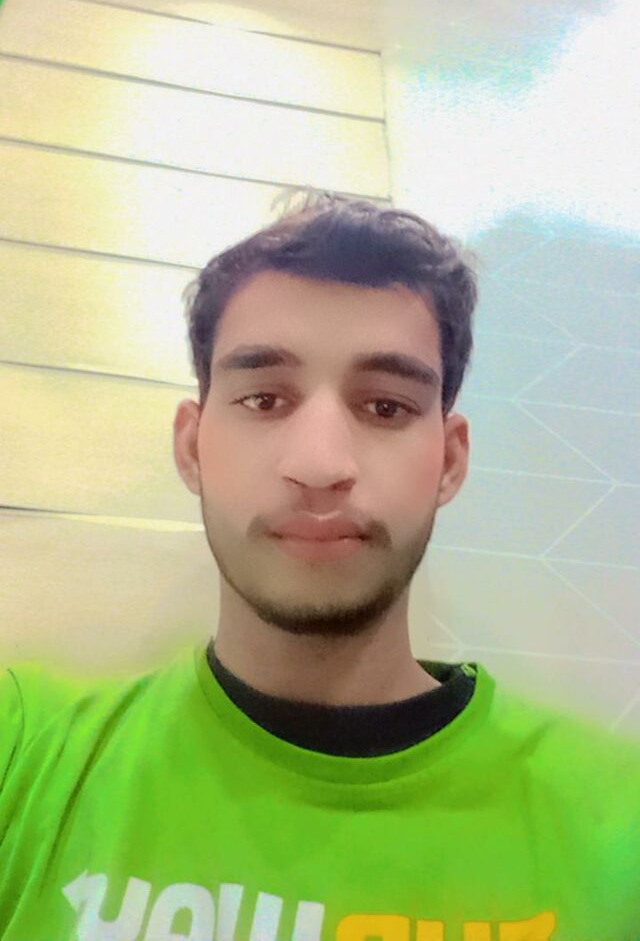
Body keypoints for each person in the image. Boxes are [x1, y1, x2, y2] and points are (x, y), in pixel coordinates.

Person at [1, 191, 639, 938]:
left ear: (449, 460)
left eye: (386, 407)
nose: (320, 465)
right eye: (264, 399)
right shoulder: (25, 751)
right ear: (192, 446)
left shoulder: (618, 828)